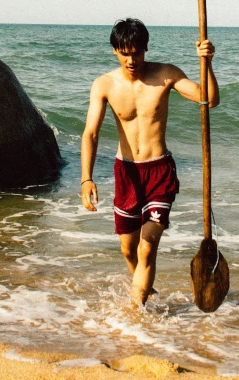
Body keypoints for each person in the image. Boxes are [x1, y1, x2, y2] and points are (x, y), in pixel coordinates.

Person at [81, 18, 219, 305]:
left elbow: (208, 98)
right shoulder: (104, 85)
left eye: (137, 52)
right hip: (126, 173)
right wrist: (86, 178)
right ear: (115, 51)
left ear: (145, 49)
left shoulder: (165, 74)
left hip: (159, 171)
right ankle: (143, 288)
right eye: (125, 52)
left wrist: (206, 62)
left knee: (147, 247)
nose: (132, 59)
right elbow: (91, 133)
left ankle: (136, 312)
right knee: (128, 250)